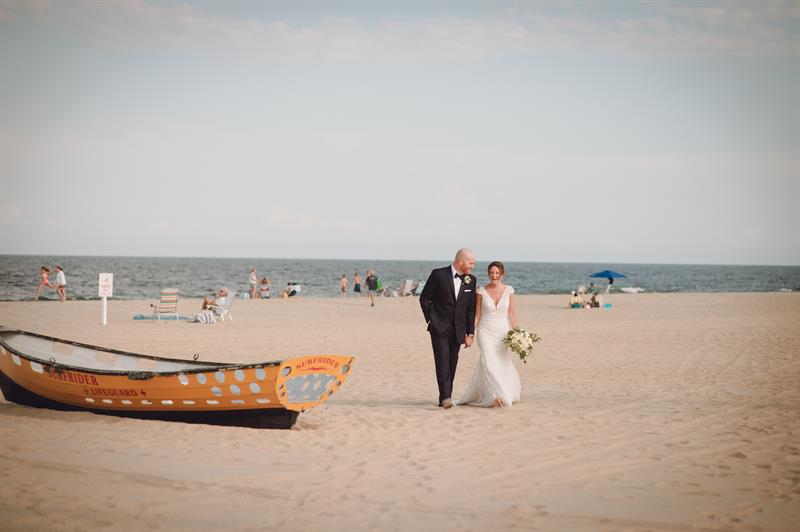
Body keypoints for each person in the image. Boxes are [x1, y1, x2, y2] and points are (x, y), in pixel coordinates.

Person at [419, 248, 477, 409]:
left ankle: (445, 396)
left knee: (452, 362)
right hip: (439, 328)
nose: (472, 266)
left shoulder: (471, 280)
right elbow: (424, 298)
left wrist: (470, 333)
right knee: (442, 361)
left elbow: (471, 309)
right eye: (471, 263)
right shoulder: (438, 275)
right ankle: (446, 397)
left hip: (458, 329)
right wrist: (431, 319)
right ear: (461, 261)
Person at [460, 261, 521, 408]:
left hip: (502, 332)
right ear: (488, 274)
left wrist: (519, 334)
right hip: (485, 332)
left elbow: (511, 314)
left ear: (502, 274)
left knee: (501, 361)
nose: (494, 275)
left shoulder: (509, 291)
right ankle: (496, 396)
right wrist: (470, 334)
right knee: (488, 360)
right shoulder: (481, 291)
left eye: (497, 273)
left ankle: (501, 392)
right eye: (491, 273)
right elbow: (477, 316)